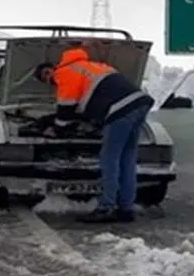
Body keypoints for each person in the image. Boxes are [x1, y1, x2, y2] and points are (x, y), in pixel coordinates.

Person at [34, 44, 154, 223]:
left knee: (109, 158)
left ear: (53, 67)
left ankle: (106, 207)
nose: (49, 78)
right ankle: (126, 208)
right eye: (45, 78)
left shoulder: (63, 73)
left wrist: (55, 129)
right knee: (127, 159)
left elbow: (65, 112)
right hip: (139, 102)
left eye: (46, 74)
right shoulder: (92, 66)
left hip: (120, 110)